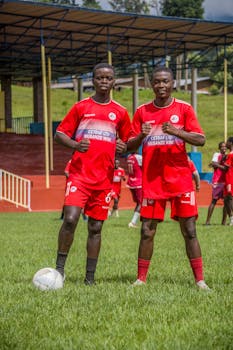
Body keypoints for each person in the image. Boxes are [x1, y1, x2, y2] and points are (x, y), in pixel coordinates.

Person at [127, 66, 210, 290]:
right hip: (153, 181)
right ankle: (140, 279)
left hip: (180, 179)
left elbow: (200, 140)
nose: (161, 86)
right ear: (150, 84)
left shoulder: (184, 109)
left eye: (165, 81)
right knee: (147, 230)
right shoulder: (142, 111)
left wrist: (176, 132)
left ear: (173, 83)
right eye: (156, 82)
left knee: (190, 230)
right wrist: (141, 135)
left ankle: (200, 281)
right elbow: (128, 145)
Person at [54, 62, 131, 286]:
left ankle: (90, 278)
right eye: (99, 78)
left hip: (104, 179)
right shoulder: (80, 107)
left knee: (96, 227)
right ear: (93, 80)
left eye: (108, 78)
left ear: (114, 81)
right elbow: (60, 134)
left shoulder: (120, 112)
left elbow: (128, 142)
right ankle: (59, 271)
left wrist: (123, 147)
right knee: (70, 219)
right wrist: (76, 145)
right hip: (80, 175)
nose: (104, 81)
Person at [205, 142, 227, 225]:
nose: (223, 148)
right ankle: (207, 221)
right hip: (217, 181)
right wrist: (220, 163)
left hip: (225, 180)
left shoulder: (228, 155)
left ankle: (223, 222)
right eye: (222, 147)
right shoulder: (216, 154)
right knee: (214, 200)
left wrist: (217, 164)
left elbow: (215, 164)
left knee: (226, 202)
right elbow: (213, 165)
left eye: (225, 147)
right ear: (219, 148)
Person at [126, 152, 142, 228]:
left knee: (138, 203)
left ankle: (136, 221)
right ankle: (133, 222)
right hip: (138, 183)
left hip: (131, 182)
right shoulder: (138, 157)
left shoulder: (129, 157)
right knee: (141, 203)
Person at [223, 137, 233, 226]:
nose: (226, 143)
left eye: (227, 142)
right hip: (229, 178)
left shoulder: (230, 155)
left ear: (231, 143)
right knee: (227, 199)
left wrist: (216, 164)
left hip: (230, 178)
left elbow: (226, 168)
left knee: (228, 198)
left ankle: (232, 219)